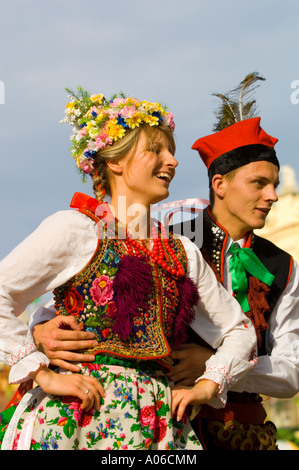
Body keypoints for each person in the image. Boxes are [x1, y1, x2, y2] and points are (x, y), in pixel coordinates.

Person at [0, 89, 257, 451]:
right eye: (156, 149)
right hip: (80, 413)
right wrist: (40, 371)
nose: (172, 161)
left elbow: (239, 331)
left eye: (172, 151)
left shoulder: (180, 251)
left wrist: (209, 382)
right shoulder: (76, 229)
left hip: (158, 420)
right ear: (116, 161)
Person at [170, 116, 299, 450]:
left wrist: (214, 368)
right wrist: (40, 327)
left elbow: (290, 372)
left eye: (274, 184)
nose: (272, 195)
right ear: (219, 185)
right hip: (173, 428)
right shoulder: (169, 243)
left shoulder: (282, 265)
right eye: (259, 183)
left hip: (248, 434)